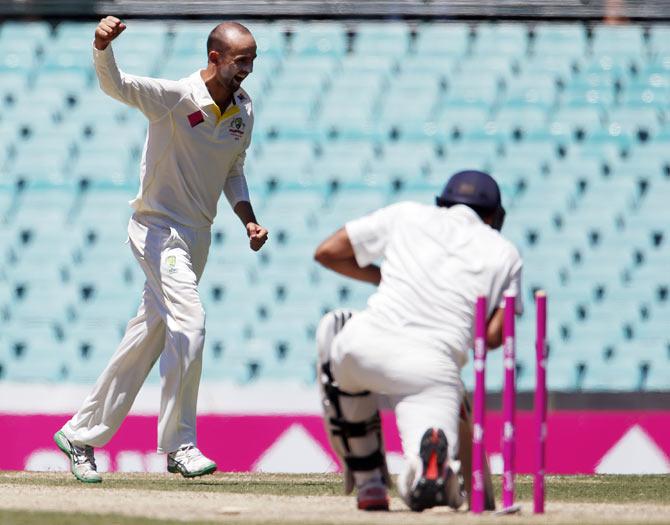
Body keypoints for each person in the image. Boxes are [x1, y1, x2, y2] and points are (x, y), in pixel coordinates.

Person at [54, 17, 268, 483]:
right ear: (215, 58)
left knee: (146, 338)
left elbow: (234, 170)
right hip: (157, 231)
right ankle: (180, 445)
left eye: (253, 60)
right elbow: (119, 86)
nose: (249, 69)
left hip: (198, 236)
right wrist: (102, 48)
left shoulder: (244, 110)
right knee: (189, 324)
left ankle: (81, 434)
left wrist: (247, 217)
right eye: (241, 60)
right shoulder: (175, 97)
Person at [313, 170, 523, 511]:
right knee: (428, 462)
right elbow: (495, 337)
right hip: (433, 369)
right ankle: (433, 472)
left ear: (443, 203)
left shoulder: (407, 214)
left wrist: (384, 277)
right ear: (494, 217)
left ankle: (369, 482)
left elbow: (327, 251)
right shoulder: (506, 253)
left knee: (335, 327)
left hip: (366, 345)